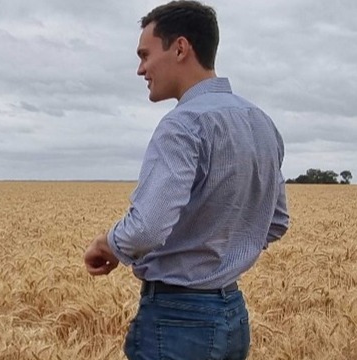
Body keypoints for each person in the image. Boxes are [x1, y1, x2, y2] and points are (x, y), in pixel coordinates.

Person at [83, 1, 289, 359]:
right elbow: (276, 221)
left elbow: (146, 228)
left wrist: (108, 243)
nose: (140, 69)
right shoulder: (261, 123)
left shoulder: (182, 125)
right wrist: (220, 250)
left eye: (145, 55)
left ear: (180, 48)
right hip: (234, 315)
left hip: (177, 322)